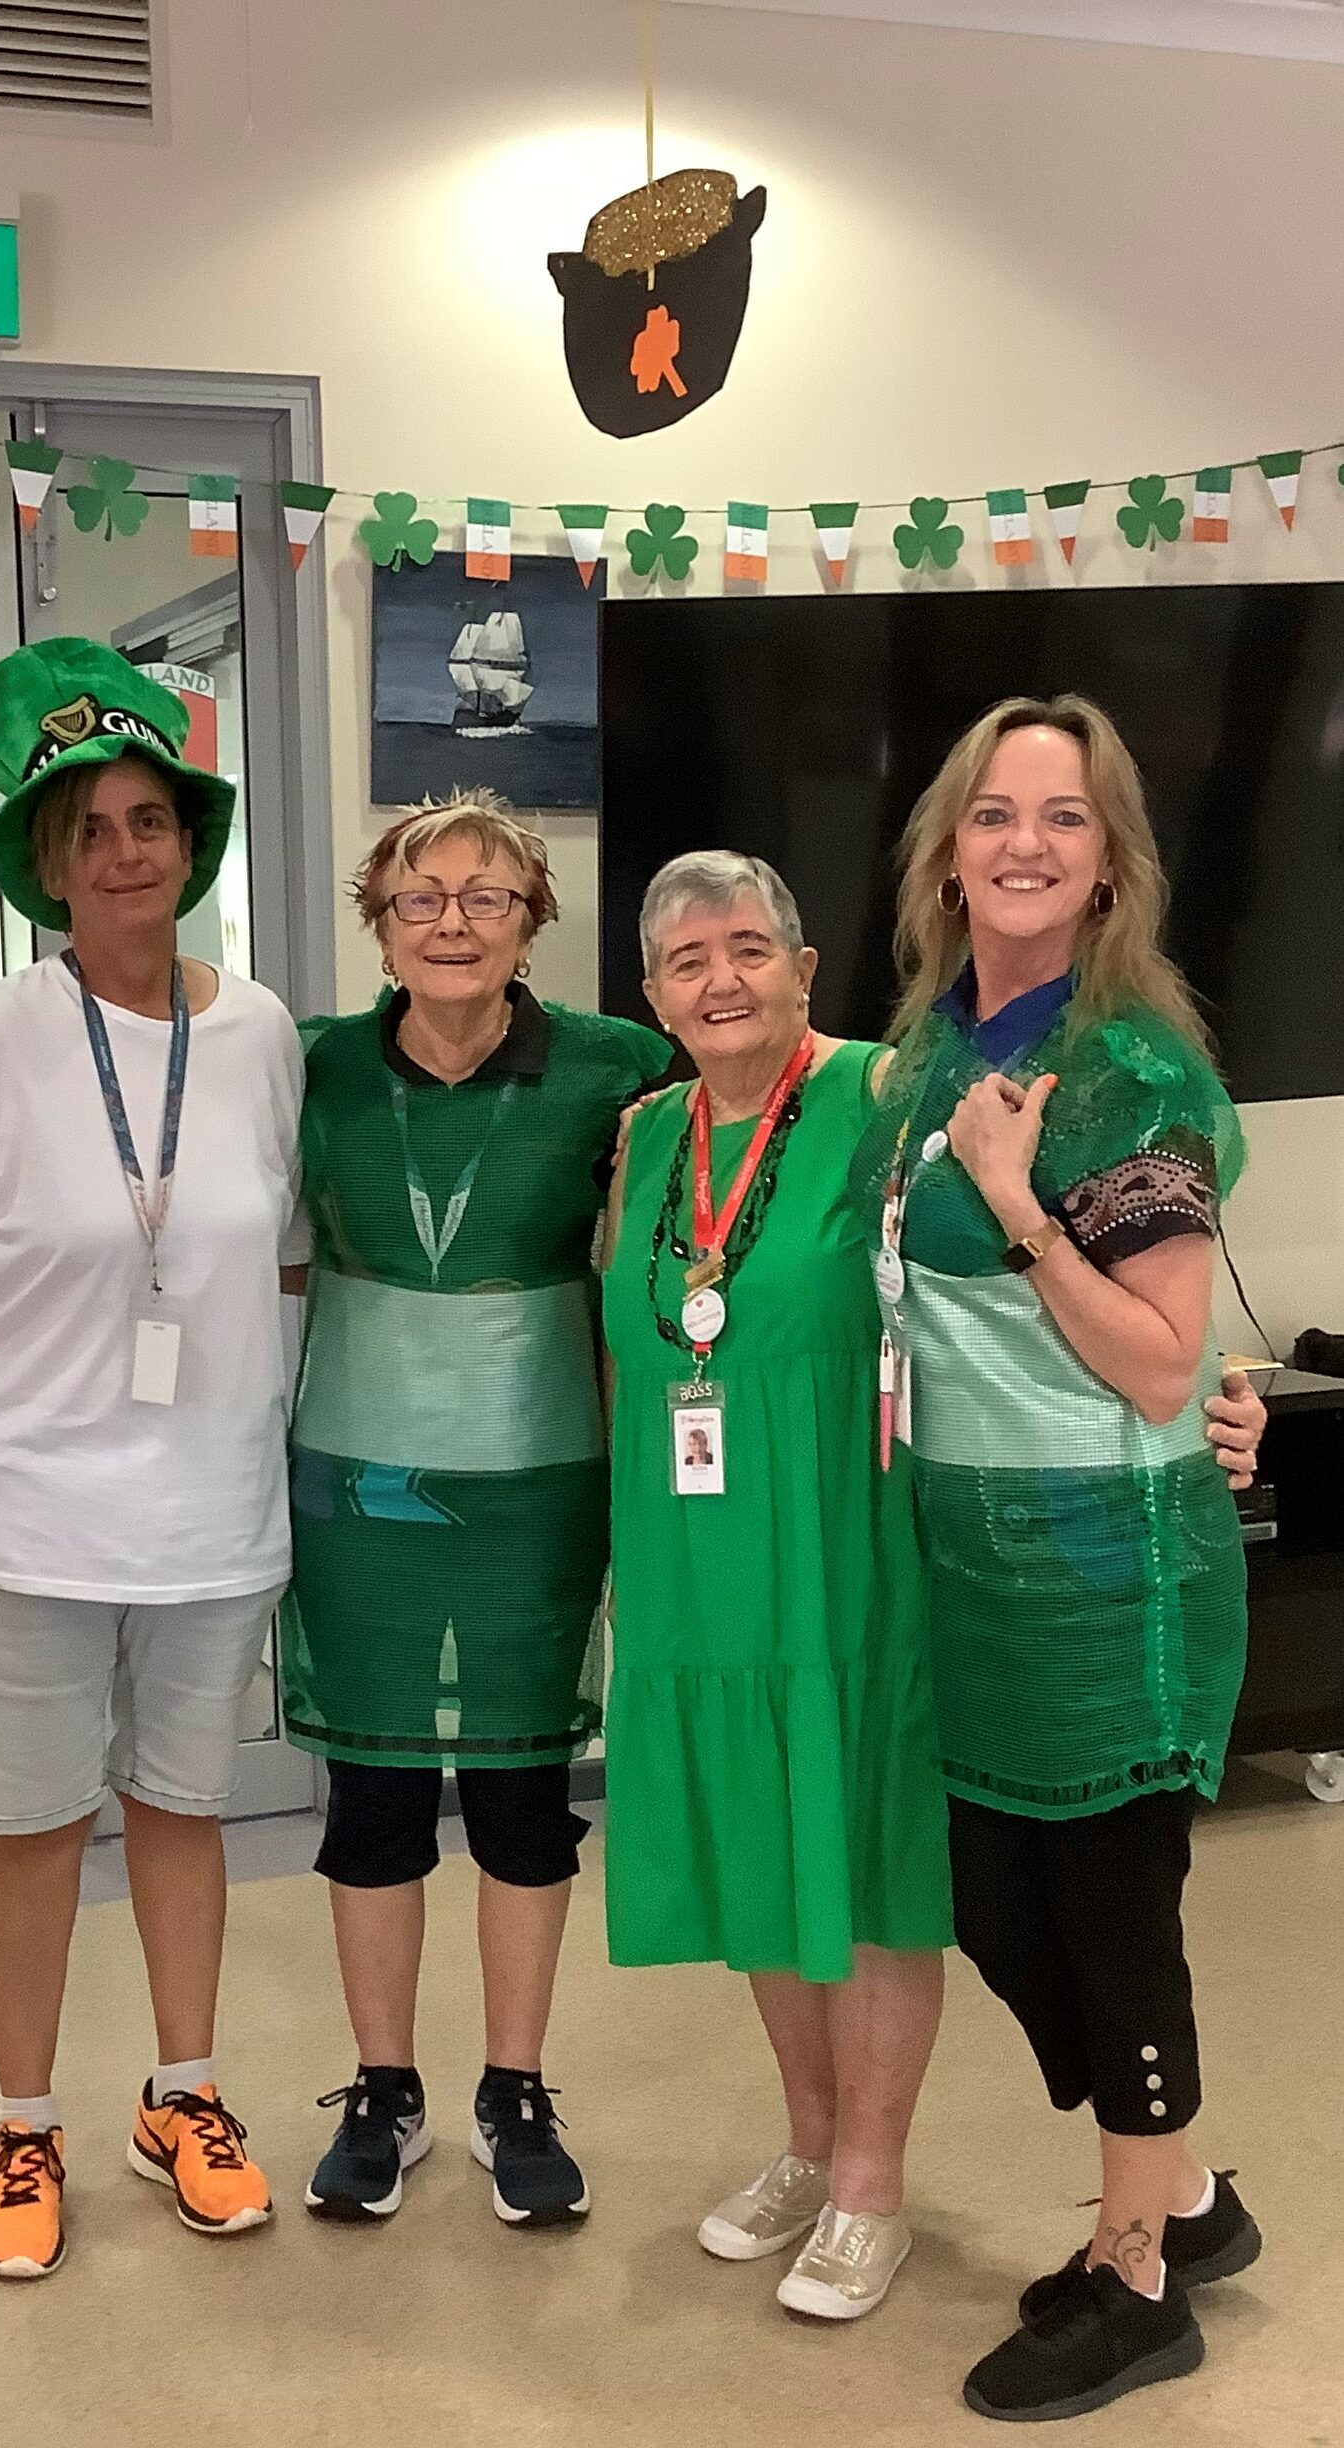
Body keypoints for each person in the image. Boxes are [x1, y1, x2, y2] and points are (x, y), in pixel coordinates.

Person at [601, 848, 1265, 2328]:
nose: (720, 981)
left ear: (803, 965)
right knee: (762, 1850)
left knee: (883, 1860)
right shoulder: (643, 1134)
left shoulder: (881, 1101)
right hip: (703, 1558)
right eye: (685, 960)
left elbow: (1040, 1279)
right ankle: (810, 2139)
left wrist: (1215, 1395)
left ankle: (871, 2186)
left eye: (748, 949)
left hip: (863, 1539)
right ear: (649, 994)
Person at [0, 639, 307, 2280]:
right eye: (89, 829)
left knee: (184, 1807)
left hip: (209, 1513)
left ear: (193, 843)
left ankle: (181, 2093)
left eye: (152, 820)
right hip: (14, 1513)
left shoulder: (260, 1032)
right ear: (46, 866)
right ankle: (25, 2118)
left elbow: (291, 1246)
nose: (126, 852)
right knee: (35, 1822)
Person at [851, 696, 1263, 2418]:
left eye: (1068, 817)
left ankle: (1139, 2274)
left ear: (1110, 865)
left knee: (1107, 1921)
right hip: (977, 1569)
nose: (1026, 841)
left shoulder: (1132, 1067)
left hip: (1112, 1577)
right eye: (996, 811)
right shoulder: (929, 1042)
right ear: (949, 847)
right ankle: (1182, 2188)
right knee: (1001, 1913)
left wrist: (1023, 1210)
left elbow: (1169, 1367)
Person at [281, 791, 670, 2227]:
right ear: (378, 921)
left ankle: (517, 2086)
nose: (451, 923)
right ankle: (383, 2089)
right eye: (420, 897)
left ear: (533, 922)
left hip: (540, 1475)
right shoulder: (309, 1064)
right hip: (357, 1480)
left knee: (521, 1801)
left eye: (485, 898)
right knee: (374, 1797)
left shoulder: (618, 1068)